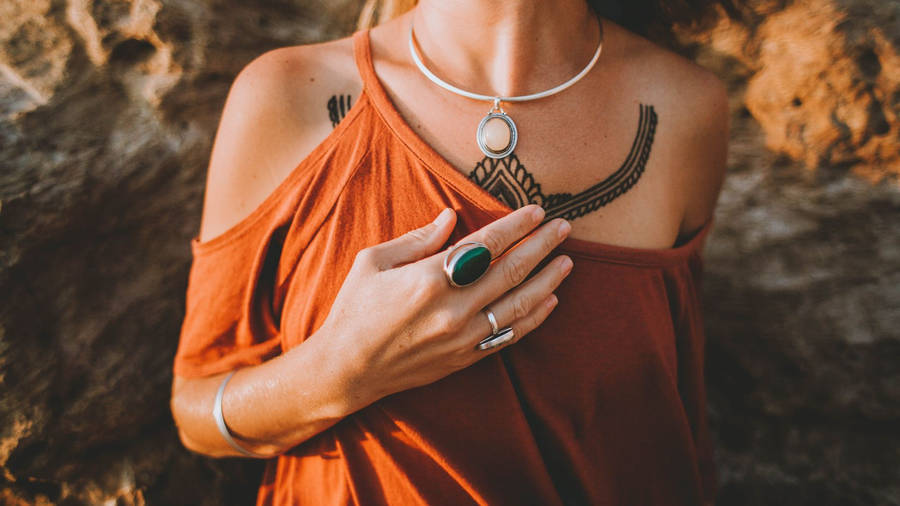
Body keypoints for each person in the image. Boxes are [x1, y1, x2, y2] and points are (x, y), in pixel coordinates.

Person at [170, 0, 729, 504]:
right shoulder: (290, 94)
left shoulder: (688, 110)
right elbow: (194, 414)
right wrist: (339, 372)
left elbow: (673, 417)